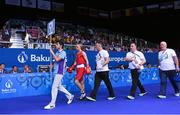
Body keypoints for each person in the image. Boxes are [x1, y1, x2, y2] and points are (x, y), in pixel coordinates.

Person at [44, 41, 74, 110]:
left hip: (60, 72)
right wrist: (52, 65)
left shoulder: (63, 52)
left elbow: (57, 59)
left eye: (57, 44)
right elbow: (56, 61)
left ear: (61, 45)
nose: (56, 45)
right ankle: (70, 96)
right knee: (59, 86)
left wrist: (52, 52)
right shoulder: (57, 52)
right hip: (55, 71)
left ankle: (52, 104)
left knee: (54, 87)